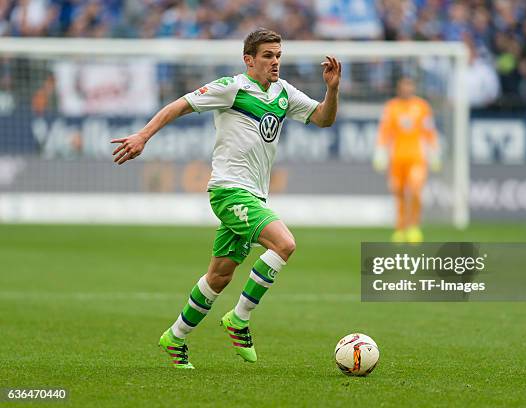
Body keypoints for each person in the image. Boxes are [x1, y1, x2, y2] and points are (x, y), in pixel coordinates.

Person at [111, 28, 341, 369]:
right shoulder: (232, 87)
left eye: (278, 55)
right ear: (249, 60)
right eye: (267, 56)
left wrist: (332, 89)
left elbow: (323, 118)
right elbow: (180, 105)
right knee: (284, 244)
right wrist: (144, 135)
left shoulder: (283, 93)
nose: (275, 62)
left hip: (255, 196)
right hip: (228, 190)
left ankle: (174, 337)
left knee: (219, 276)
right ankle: (239, 318)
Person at [372, 77, 438, 243]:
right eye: (404, 86)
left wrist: (435, 152)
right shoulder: (391, 107)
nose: (407, 89)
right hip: (397, 159)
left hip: (417, 158)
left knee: (415, 189)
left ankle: (414, 227)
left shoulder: (422, 107)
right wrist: (380, 152)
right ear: (399, 88)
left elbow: (429, 131)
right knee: (399, 192)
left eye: (410, 85)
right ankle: (400, 228)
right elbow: (384, 131)